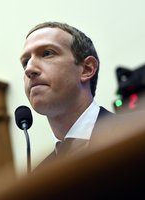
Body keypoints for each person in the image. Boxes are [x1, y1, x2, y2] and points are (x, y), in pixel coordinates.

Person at [19, 21, 115, 169]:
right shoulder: (39, 177)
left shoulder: (140, 132)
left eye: (47, 53)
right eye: (25, 62)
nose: (29, 69)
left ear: (86, 69)